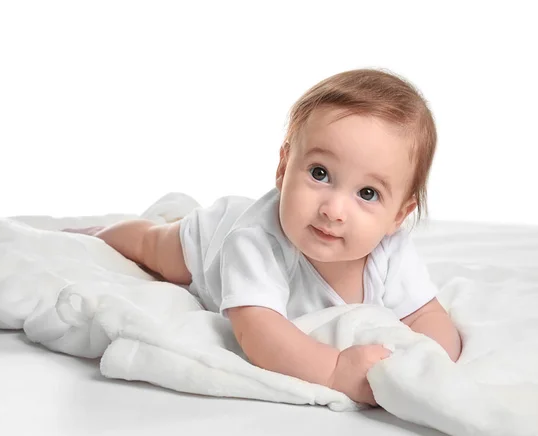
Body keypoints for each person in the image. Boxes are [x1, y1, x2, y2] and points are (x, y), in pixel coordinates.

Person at [65, 68, 462, 406]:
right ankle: (102, 231)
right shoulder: (254, 241)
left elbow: (426, 315)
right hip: (209, 242)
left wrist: (431, 365)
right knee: (154, 248)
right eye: (320, 173)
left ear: (399, 215)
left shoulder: (391, 251)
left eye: (367, 194)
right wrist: (334, 370)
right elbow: (257, 330)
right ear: (284, 166)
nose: (333, 209)